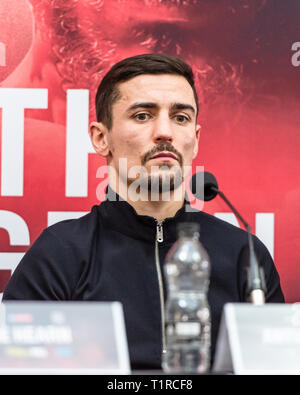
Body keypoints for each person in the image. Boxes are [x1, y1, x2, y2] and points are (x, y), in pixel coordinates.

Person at [3, 53, 284, 370]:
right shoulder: (60, 253)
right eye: (142, 116)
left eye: (180, 118)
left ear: (195, 138)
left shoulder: (244, 255)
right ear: (100, 138)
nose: (165, 132)